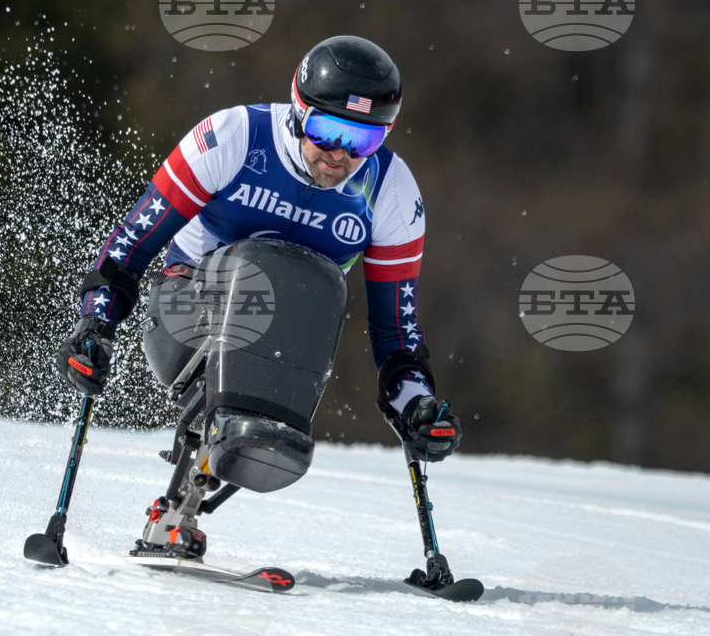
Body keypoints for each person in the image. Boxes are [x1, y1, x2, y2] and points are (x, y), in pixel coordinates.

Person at [56, 36, 462, 560]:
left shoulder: (390, 190)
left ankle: (185, 502)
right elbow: (129, 249)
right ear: (297, 111)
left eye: (362, 140)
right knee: (265, 267)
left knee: (316, 284)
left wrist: (417, 407)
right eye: (325, 130)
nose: (339, 154)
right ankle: (198, 469)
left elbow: (396, 333)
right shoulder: (234, 137)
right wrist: (95, 326)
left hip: (286, 341)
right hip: (181, 310)